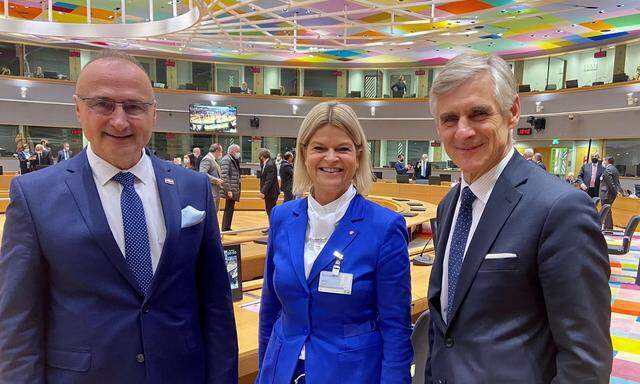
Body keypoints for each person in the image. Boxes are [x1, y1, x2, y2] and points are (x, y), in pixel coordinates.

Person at [0, 50, 238, 383]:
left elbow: (216, 307)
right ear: (79, 109)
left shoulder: (192, 188)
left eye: (134, 106)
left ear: (153, 113)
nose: (120, 121)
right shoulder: (35, 195)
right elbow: (17, 323)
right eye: (103, 104)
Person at [425, 53, 612, 383]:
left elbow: (585, 361)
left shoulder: (560, 208)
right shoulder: (450, 204)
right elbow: (445, 329)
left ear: (512, 112)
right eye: (449, 119)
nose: (463, 131)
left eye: (478, 113)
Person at [257, 101, 412, 384]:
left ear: (358, 154)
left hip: (350, 373)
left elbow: (396, 328)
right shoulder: (281, 218)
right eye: (319, 148)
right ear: (304, 154)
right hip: (282, 369)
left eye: (342, 148)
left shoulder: (385, 228)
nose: (331, 158)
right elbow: (270, 309)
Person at [599, 155, 625, 230]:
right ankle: (608, 228)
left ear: (607, 161)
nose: (603, 162)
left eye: (604, 160)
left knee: (606, 211)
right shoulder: (615, 169)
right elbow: (617, 183)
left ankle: (608, 228)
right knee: (607, 210)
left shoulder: (608, 169)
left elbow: (611, 183)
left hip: (606, 194)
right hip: (610, 194)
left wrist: (616, 192)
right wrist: (618, 191)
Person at [220, 143, 241, 231]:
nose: (238, 153)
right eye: (237, 151)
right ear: (232, 151)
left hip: (232, 188)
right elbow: (224, 176)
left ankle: (227, 227)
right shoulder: (226, 160)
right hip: (230, 189)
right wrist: (228, 190)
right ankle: (225, 228)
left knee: (230, 208)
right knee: (228, 209)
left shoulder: (232, 159)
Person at [200, 143, 224, 211]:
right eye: (221, 152)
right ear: (217, 151)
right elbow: (202, 173)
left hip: (216, 192)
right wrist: (216, 180)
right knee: (211, 214)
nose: (221, 154)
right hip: (211, 192)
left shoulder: (213, 160)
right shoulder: (207, 159)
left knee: (214, 215)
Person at [258, 148, 280, 218]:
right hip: (269, 192)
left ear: (262, 156)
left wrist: (263, 192)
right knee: (269, 210)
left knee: (271, 211)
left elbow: (269, 180)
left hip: (271, 192)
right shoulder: (266, 163)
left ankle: (272, 227)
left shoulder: (269, 164)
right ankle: (271, 227)